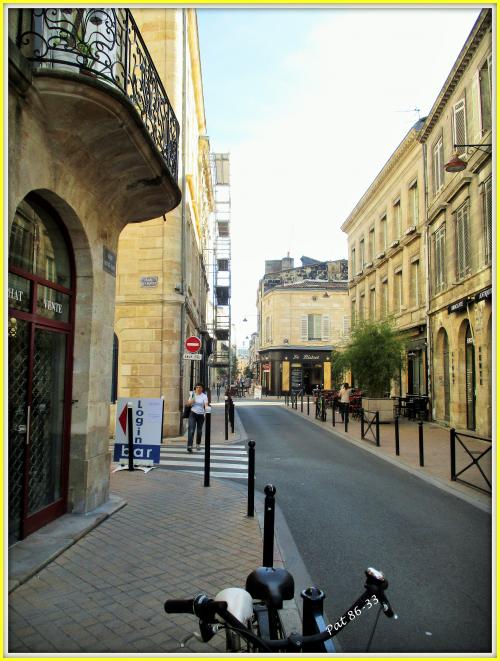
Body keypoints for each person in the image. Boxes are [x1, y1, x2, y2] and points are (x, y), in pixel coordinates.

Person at [186, 383, 209, 452]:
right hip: (193, 413)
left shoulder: (204, 396)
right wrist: (191, 401)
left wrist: (207, 411)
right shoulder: (193, 394)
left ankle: (198, 444)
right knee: (191, 430)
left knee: (199, 431)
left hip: (201, 415)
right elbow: (188, 404)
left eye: (200, 387)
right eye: (197, 387)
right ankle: (189, 446)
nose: (198, 388)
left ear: (202, 388)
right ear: (195, 388)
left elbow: (206, 405)